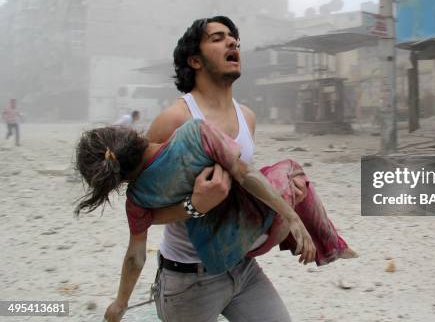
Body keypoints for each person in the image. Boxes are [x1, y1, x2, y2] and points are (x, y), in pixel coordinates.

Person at [102, 16, 309, 321]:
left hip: (241, 265)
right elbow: (142, 209)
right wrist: (121, 302)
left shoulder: (247, 117)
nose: (232, 43)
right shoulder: (173, 120)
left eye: (234, 39)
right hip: (188, 279)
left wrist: (285, 195)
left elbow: (242, 180)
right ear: (195, 60)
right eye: (218, 37)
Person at [74, 118, 356, 320]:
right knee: (289, 171)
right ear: (126, 134)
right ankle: (329, 246)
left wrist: (120, 304)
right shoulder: (194, 133)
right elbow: (246, 174)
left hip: (229, 268)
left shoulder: (136, 200)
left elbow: (135, 257)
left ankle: (312, 242)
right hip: (202, 277)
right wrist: (292, 218)